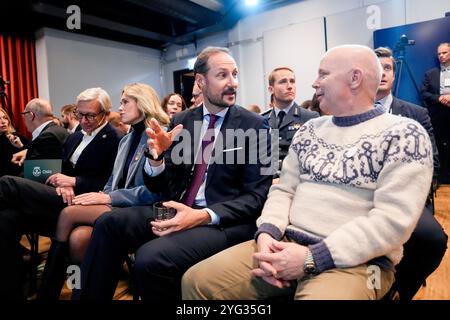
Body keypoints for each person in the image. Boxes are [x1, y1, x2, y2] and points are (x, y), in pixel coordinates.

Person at [182, 45, 433, 300]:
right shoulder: (310, 130)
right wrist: (267, 232)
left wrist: (312, 257)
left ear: (354, 78)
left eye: (323, 74)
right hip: (285, 243)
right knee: (197, 282)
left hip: (361, 264)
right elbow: (282, 189)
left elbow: (392, 222)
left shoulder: (404, 134)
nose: (314, 83)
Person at [73, 46, 272, 300]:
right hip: (176, 208)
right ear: (200, 81)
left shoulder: (257, 125)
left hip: (221, 220)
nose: (232, 82)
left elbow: (258, 196)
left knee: (150, 258)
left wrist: (201, 216)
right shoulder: (183, 121)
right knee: (109, 223)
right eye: (222, 75)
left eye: (235, 74)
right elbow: (162, 186)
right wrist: (156, 159)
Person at [37, 83, 169, 300]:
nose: (120, 107)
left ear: (142, 103)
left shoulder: (157, 137)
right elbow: (111, 182)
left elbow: (155, 192)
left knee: (69, 212)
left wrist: (107, 196)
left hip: (139, 209)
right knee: (78, 240)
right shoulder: (126, 139)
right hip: (116, 204)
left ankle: (47, 292)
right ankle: (78, 293)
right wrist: (104, 194)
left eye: (125, 102)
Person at [0, 87, 121, 300]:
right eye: (79, 114)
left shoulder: (114, 139)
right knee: (7, 218)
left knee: (7, 183)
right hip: (62, 197)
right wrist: (64, 183)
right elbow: (63, 170)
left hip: (84, 203)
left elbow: (111, 182)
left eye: (90, 115)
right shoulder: (75, 138)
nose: (83, 120)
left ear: (105, 113)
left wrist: (74, 182)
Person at [374, 46, 447, 300]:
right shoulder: (352, 114)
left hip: (407, 199)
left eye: (388, 68)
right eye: (377, 68)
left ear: (394, 75)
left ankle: (399, 291)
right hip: (362, 200)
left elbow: (432, 164)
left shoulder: (416, 114)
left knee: (434, 239)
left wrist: (413, 199)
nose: (383, 73)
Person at [261, 67, 319, 177]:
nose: (289, 86)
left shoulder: (310, 117)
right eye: (283, 82)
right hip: (267, 182)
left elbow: (313, 160)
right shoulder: (262, 120)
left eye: (292, 81)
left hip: (296, 181)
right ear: (271, 89)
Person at [421, 42, 450, 184]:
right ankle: (439, 177)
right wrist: (439, 98)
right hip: (437, 116)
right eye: (439, 53)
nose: (441, 56)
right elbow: (424, 93)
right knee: (437, 146)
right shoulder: (430, 73)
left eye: (444, 53)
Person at [11, 98, 69, 168]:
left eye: (24, 114)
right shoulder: (57, 130)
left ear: (31, 116)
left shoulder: (48, 136)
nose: (23, 118)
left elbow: (36, 171)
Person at [0, 107, 29, 177]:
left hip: (16, 182)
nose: (3, 121)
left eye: (5, 118)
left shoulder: (17, 137)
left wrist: (21, 147)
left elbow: (34, 157)